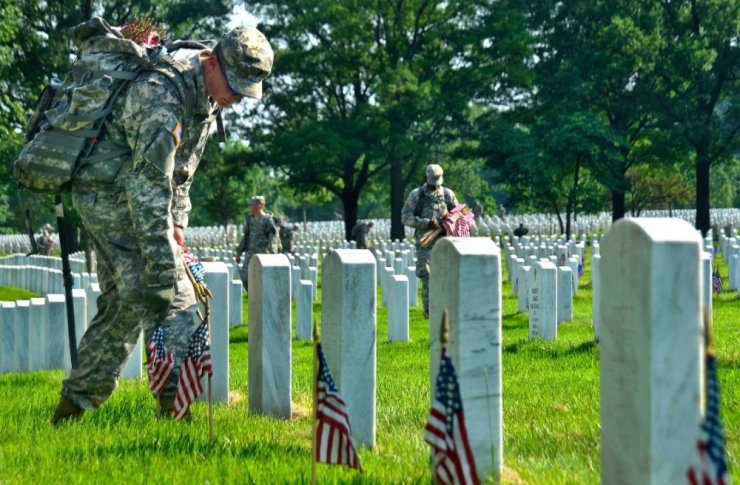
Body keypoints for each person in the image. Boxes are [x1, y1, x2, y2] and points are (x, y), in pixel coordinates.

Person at [52, 20, 274, 424]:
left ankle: (73, 408)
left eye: (245, 92)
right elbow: (148, 185)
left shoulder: (206, 98)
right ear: (212, 62)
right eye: (235, 88)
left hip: (137, 191)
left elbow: (181, 174)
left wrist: (178, 226)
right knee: (167, 291)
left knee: (125, 300)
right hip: (108, 191)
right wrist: (161, 261)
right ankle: (174, 406)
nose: (238, 100)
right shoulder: (161, 95)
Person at [401, 164, 459, 318]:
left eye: (437, 180)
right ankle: (430, 312)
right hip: (425, 245)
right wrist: (425, 223)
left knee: (446, 276)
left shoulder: (448, 194)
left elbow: (461, 212)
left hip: (445, 243)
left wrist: (451, 222)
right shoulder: (416, 195)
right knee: (427, 277)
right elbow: (405, 216)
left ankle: (445, 309)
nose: (435, 184)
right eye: (433, 180)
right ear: (427, 177)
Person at [235, 195, 280, 287]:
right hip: (250, 253)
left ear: (260, 205)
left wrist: (272, 254)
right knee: (245, 277)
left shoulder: (267, 220)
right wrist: (239, 252)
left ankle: (261, 298)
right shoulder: (249, 219)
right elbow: (246, 237)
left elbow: (273, 238)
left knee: (263, 279)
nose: (249, 207)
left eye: (252, 205)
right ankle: (253, 296)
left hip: (263, 254)